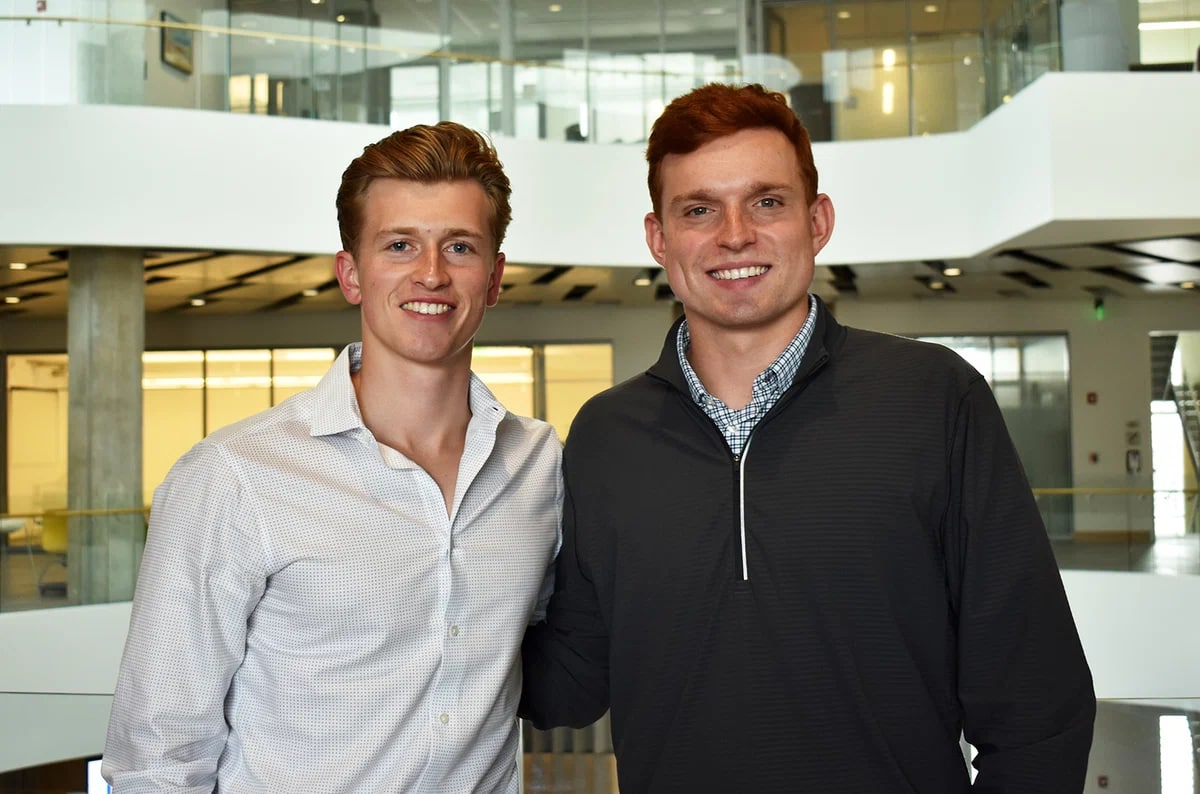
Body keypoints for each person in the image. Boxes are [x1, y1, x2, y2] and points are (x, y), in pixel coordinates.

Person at [520, 83, 1095, 792]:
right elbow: (571, 679)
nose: (735, 234)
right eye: (699, 209)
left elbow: (1037, 701)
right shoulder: (607, 436)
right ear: (659, 239)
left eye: (767, 202)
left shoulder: (935, 399)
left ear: (817, 221)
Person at [103, 122, 562, 793]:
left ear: (493, 279)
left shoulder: (540, 467)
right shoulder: (233, 476)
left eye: (459, 246)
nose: (431, 273)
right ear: (351, 275)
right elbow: (158, 758)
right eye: (399, 245)